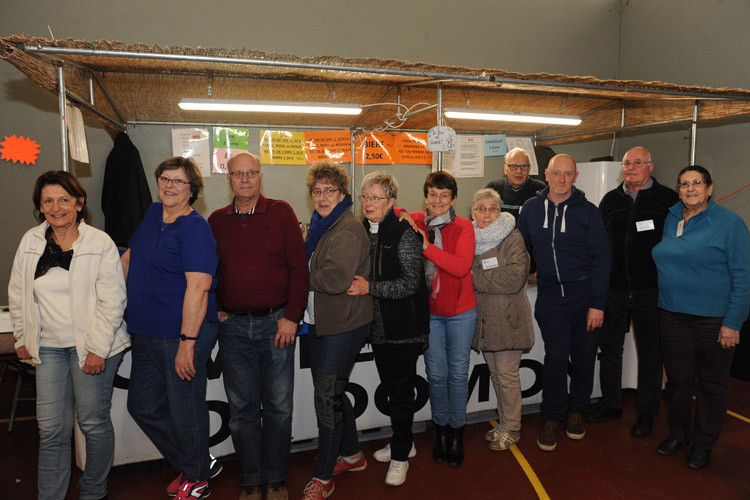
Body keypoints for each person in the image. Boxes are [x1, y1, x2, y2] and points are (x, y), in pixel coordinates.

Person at [8, 170, 130, 500]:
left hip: (93, 345)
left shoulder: (99, 243)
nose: (56, 207)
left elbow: (113, 300)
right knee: (51, 429)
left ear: (79, 203)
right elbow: (18, 293)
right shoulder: (31, 242)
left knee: (91, 422)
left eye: (64, 199)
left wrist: (97, 349)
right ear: (40, 206)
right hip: (47, 346)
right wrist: (21, 337)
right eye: (48, 200)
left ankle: (93, 491)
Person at [208, 152, 308, 500]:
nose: (245, 179)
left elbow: (299, 270)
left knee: (279, 408)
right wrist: (216, 308)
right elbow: (207, 272)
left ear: (261, 177)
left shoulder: (281, 212)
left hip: (276, 325)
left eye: (251, 173)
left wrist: (292, 317)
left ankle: (277, 477)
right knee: (241, 411)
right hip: (233, 329)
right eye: (238, 174)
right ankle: (251, 478)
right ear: (229, 179)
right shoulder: (216, 220)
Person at [122, 156, 220, 500]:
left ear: (192, 189)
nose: (169, 185)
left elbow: (199, 287)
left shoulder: (195, 228)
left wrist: (187, 344)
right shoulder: (152, 213)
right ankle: (197, 463)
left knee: (185, 408)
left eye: (178, 181)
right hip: (146, 329)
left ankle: (197, 480)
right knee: (143, 405)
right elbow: (130, 258)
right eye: (165, 178)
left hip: (181, 331)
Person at [652, 165, 750, 470]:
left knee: (711, 385)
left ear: (709, 188)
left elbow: (743, 276)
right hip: (672, 316)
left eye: (697, 183)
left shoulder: (729, 223)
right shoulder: (672, 218)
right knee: (678, 382)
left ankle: (704, 444)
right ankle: (679, 434)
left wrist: (733, 323)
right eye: (684, 184)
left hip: (713, 320)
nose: (690, 188)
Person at [517, 154, 611, 452]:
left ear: (576, 176)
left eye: (567, 174)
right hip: (549, 297)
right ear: (546, 174)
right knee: (555, 358)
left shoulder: (589, 212)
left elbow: (602, 259)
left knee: (583, 358)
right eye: (556, 173)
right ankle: (553, 415)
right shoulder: (531, 209)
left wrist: (598, 304)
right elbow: (522, 251)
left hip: (584, 297)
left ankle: (576, 412)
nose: (561, 179)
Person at [346, 171, 429, 487]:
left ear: (392, 201)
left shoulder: (405, 233)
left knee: (402, 393)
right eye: (365, 197)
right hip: (376, 328)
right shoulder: (360, 231)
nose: (368, 203)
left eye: (376, 197)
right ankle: (403, 444)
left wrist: (371, 288)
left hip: (404, 328)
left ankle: (400, 456)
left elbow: (410, 283)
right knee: (393, 390)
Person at [590, 147, 679, 437]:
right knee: (611, 350)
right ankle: (611, 404)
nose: (631, 168)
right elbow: (599, 244)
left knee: (651, 355)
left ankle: (647, 413)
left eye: (638, 163)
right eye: (627, 163)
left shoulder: (668, 199)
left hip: (650, 291)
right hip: (614, 289)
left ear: (650, 166)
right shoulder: (611, 200)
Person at [301, 162, 372, 500]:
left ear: (343, 194)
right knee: (332, 391)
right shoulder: (321, 225)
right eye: (317, 191)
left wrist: (294, 274)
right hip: (322, 321)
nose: (322, 197)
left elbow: (333, 280)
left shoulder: (345, 228)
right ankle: (353, 454)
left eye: (330, 190)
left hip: (343, 324)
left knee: (326, 398)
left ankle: (324, 476)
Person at [396, 170, 476, 467]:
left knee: (457, 373)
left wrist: (425, 246)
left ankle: (457, 431)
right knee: (436, 374)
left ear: (454, 199)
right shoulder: (419, 220)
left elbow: (459, 267)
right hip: (430, 313)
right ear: (426, 197)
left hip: (460, 312)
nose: (438, 200)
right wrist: (404, 212)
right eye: (432, 194)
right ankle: (440, 429)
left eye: (444, 195)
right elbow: (390, 207)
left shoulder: (464, 226)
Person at [470, 188, 534, 451]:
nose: (487, 214)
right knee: (496, 375)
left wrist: (471, 277)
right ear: (472, 212)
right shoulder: (469, 238)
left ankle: (513, 428)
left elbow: (513, 279)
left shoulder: (512, 238)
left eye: (492, 208)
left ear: (500, 212)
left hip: (508, 320)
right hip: (486, 321)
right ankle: (505, 424)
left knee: (506, 376)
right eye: (481, 208)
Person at [486, 147, 546, 222]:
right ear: (505, 169)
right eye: (513, 166)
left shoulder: (540, 189)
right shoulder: (494, 188)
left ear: (529, 169)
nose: (519, 171)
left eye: (524, 166)